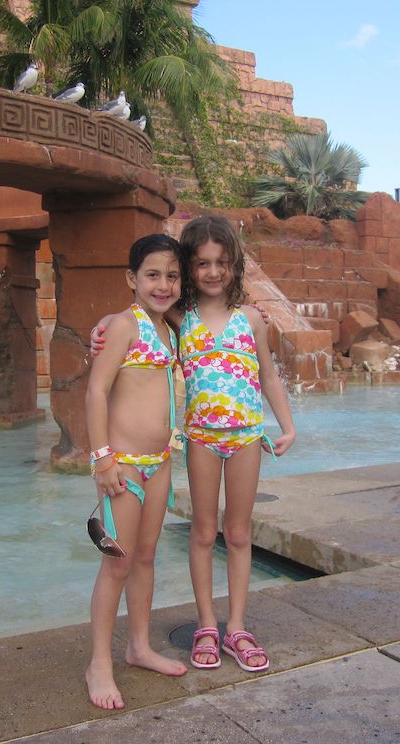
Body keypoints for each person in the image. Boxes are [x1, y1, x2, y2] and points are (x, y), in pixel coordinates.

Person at [90, 215, 296, 674]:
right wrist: (106, 322)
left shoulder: (252, 320)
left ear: (234, 264)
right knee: (203, 534)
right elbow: (140, 315)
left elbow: (267, 374)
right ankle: (206, 623)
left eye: (221, 262)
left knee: (239, 534)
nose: (212, 271)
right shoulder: (182, 320)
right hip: (200, 440)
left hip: (246, 438)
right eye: (201, 263)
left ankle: (237, 626)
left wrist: (287, 425)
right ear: (190, 268)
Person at [84, 233, 187, 710]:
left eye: (171, 275)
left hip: (160, 461)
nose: (163, 284)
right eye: (152, 275)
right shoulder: (124, 327)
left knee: (145, 559)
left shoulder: (172, 329)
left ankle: (139, 646)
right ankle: (98, 664)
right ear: (132, 279)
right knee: (117, 563)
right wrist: (101, 458)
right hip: (122, 464)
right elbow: (96, 392)